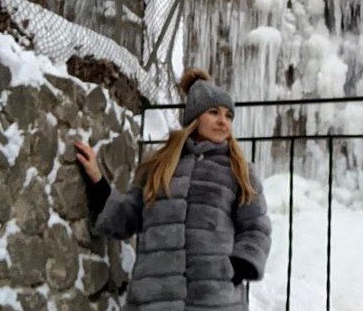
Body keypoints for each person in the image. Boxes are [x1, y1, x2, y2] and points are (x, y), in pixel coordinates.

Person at [74, 68, 271, 311]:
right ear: (194, 118)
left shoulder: (239, 171)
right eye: (214, 112)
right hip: (153, 300)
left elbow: (256, 228)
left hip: (213, 301)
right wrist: (97, 179)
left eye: (228, 115)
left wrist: (237, 268)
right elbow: (126, 219)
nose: (223, 121)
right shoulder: (157, 166)